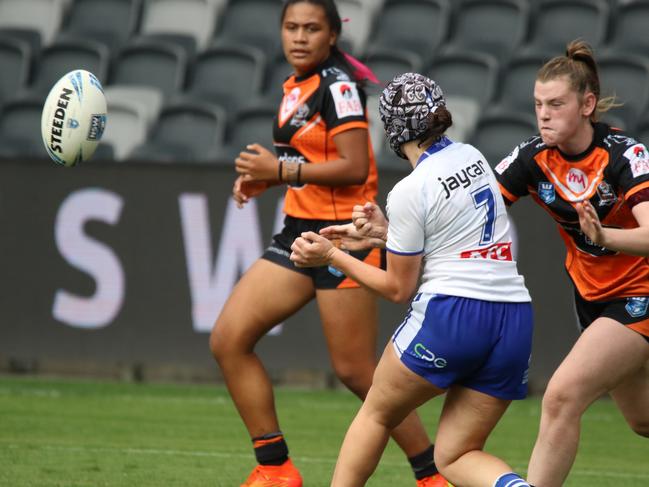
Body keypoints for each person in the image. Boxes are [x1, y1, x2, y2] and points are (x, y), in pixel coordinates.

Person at [209, 2, 449, 486]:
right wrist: (268, 182)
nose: (299, 37)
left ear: (333, 35)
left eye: (312, 28)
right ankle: (275, 468)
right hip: (299, 232)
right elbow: (311, 163)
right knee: (229, 340)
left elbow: (355, 166)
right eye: (291, 27)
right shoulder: (297, 87)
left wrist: (277, 170)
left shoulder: (337, 87)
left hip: (347, 237)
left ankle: (431, 476)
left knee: (358, 371)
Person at [290, 72, 534, 487]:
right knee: (456, 455)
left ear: (391, 128)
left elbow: (397, 288)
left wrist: (330, 254)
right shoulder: (472, 157)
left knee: (377, 411)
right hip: (513, 319)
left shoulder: (409, 188)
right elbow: (455, 239)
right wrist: (386, 234)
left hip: (453, 313)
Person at [493, 39, 649, 486]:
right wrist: (394, 232)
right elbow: (472, 209)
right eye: (539, 104)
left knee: (561, 396)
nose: (543, 113)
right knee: (642, 421)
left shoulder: (625, 155)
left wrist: (605, 235)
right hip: (592, 298)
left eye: (556, 103)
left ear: (587, 104)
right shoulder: (533, 158)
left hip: (640, 294)